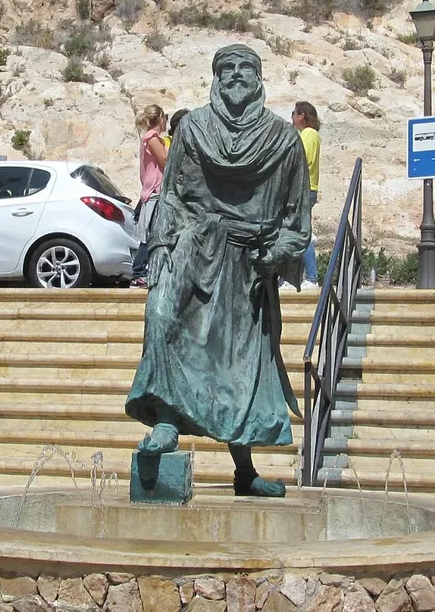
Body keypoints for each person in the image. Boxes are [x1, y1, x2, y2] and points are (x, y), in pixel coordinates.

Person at [126, 45, 310, 497]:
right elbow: (171, 194)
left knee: (237, 368)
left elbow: (297, 222)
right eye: (225, 68)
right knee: (161, 320)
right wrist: (164, 248)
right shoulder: (192, 130)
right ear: (214, 76)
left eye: (244, 67)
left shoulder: (283, 141)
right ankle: (166, 422)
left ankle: (244, 474)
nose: (235, 75)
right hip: (192, 246)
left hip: (247, 264)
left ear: (259, 76)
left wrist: (275, 252)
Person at [130, 105, 169, 285]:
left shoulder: (148, 139)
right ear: (160, 118)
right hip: (155, 191)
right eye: (165, 117)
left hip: (152, 191)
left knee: (152, 233)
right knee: (151, 234)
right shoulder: (152, 138)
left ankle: (142, 271)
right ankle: (139, 271)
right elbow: (164, 161)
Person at [290, 101, 322, 291]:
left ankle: (311, 277)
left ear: (302, 116)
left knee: (302, 233)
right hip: (307, 188)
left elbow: (303, 158)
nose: (292, 117)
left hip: (303, 188)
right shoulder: (310, 135)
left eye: (294, 113)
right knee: (300, 231)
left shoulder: (309, 134)